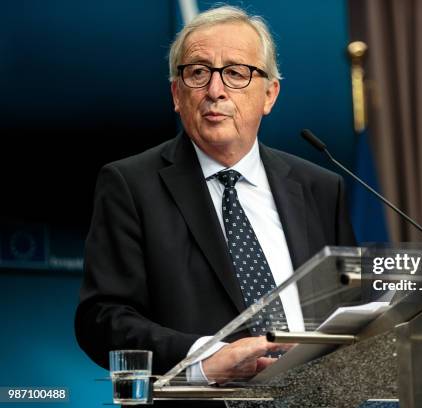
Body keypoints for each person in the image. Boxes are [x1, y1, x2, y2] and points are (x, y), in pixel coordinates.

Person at [74, 4, 355, 393]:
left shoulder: (320, 187)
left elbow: (349, 311)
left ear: (270, 94)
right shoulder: (130, 184)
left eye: (237, 73)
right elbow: (102, 318)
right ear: (176, 93)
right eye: (198, 73)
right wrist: (204, 357)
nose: (215, 90)